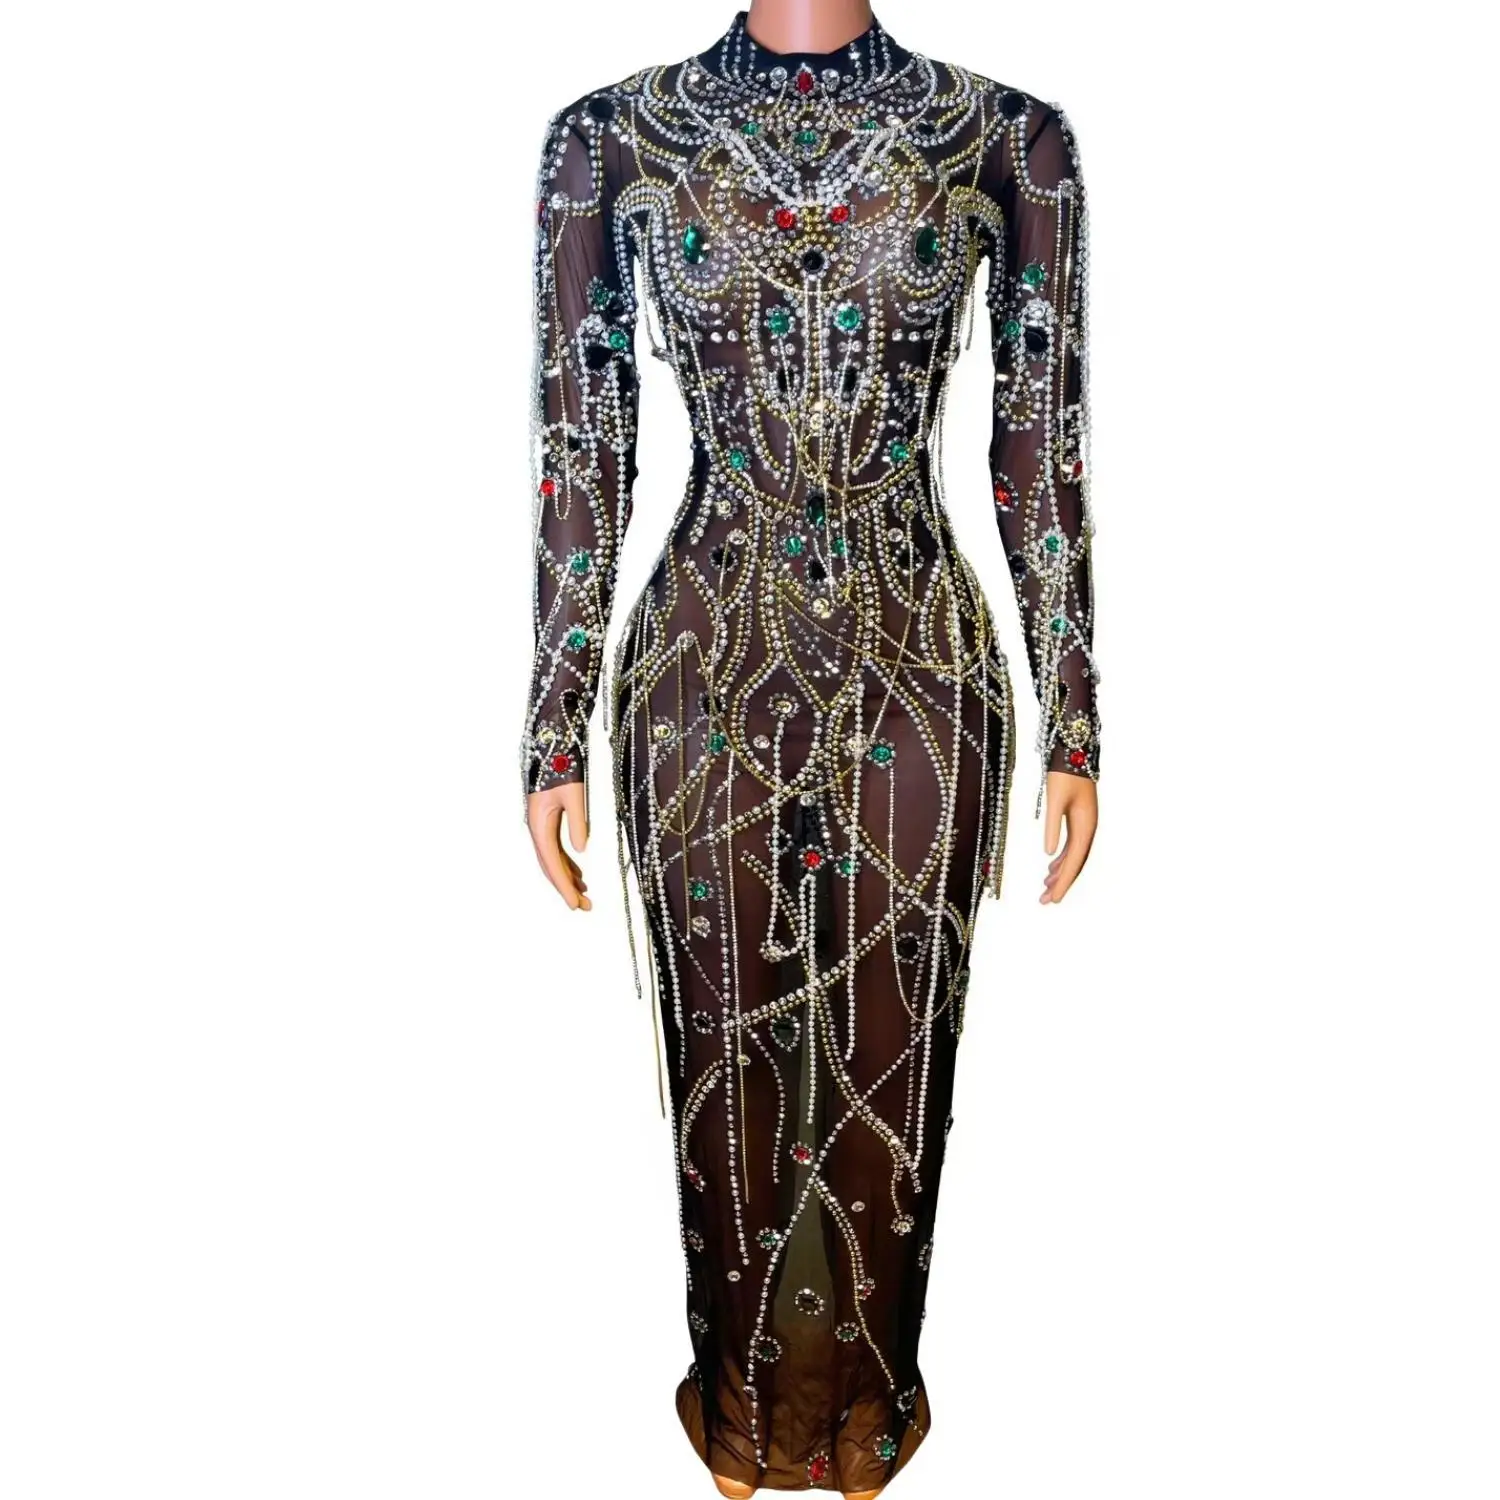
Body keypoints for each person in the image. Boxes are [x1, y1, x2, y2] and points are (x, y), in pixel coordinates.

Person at [521, 4, 1100, 1493]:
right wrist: (553, 725)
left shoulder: (1008, 138)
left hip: (921, 669)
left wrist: (1074, 710)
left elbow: (1039, 441)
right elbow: (583, 450)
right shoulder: (610, 140)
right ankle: (743, 1414)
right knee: (722, 1067)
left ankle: (862, 1418)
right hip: (700, 664)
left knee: (896, 1072)